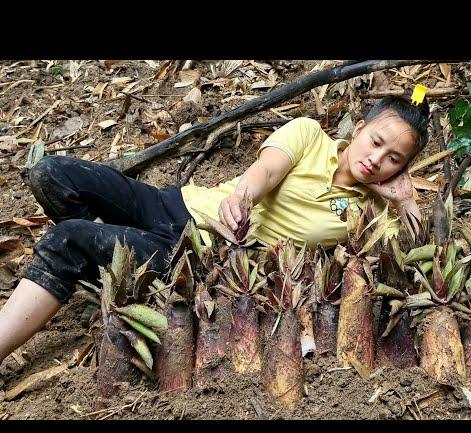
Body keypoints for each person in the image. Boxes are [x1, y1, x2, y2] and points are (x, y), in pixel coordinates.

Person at [0, 89, 430, 370]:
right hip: (179, 204)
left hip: (199, 254)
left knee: (65, 238)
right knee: (52, 172)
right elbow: (266, 169)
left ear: (402, 169)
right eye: (376, 142)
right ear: (359, 130)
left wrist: (406, 201)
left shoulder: (376, 216)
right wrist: (242, 198)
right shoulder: (310, 135)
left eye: (394, 158)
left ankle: (86, 259)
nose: (378, 159)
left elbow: (416, 259)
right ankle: (106, 263)